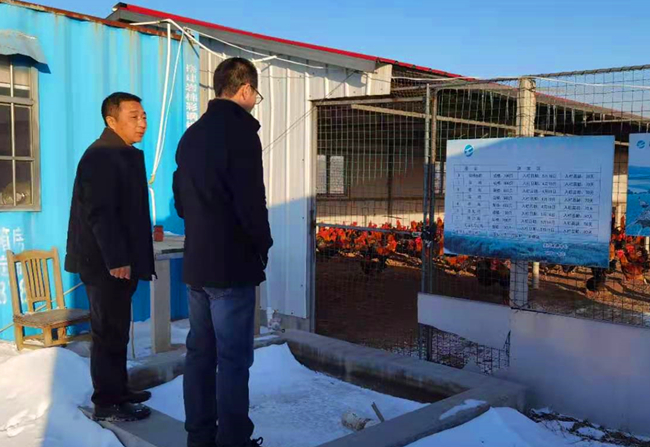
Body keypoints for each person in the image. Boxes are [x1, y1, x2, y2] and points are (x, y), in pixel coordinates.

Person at [173, 58, 273, 447]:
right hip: (232, 266)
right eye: (255, 94)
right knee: (232, 360)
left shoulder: (191, 135)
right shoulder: (241, 133)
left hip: (198, 263)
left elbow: (181, 201)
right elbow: (251, 203)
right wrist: (262, 247)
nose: (254, 101)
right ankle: (232, 440)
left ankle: (199, 437)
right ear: (245, 89)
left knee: (200, 354)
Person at [65, 92, 155, 422]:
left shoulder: (120, 153)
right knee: (107, 333)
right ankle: (107, 402)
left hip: (116, 261)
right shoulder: (101, 155)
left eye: (143, 116)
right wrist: (116, 259)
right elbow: (100, 212)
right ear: (111, 120)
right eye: (134, 117)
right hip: (105, 263)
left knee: (117, 330)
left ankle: (120, 390)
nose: (142, 123)